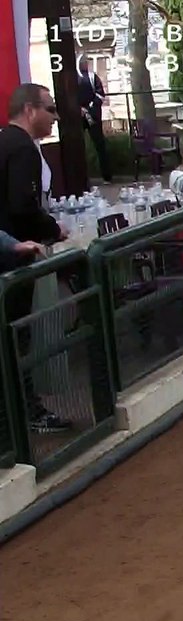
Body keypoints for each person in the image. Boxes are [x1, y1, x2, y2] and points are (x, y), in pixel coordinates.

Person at [0, 83, 72, 433]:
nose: (56, 117)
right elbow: (22, 206)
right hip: (11, 259)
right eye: (51, 109)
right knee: (16, 339)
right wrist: (52, 229)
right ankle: (28, 415)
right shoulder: (23, 148)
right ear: (30, 110)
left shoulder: (5, 142)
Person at [77, 55, 112, 182]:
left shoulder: (92, 77)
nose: (86, 64)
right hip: (78, 116)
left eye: (86, 61)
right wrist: (78, 109)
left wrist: (90, 108)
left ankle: (107, 176)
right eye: (83, 62)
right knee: (77, 147)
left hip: (93, 116)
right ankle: (81, 179)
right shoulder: (72, 78)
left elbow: (100, 94)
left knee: (100, 145)